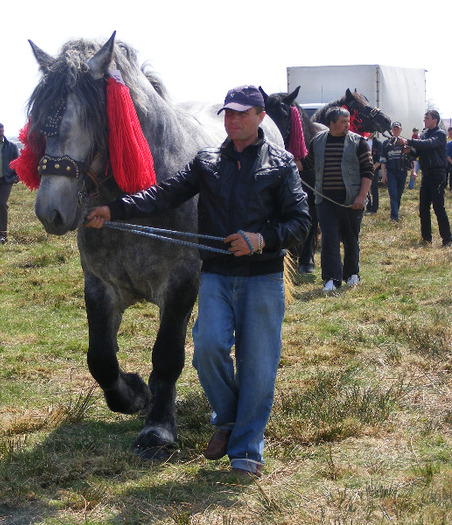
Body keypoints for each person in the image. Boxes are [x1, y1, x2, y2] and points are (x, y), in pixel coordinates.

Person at [85, 85, 311, 477]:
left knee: (257, 367)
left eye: (242, 114)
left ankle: (245, 449)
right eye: (228, 114)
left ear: (260, 116)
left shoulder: (282, 164)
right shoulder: (206, 161)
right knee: (207, 349)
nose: (233, 120)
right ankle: (226, 416)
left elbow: (302, 223)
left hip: (262, 276)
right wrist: (114, 208)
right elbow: (161, 195)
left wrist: (261, 240)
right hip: (218, 276)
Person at [298, 107, 374, 292]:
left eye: (348, 122)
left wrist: (361, 197)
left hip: (351, 200)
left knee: (350, 238)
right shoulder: (317, 142)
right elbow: (307, 164)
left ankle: (352, 274)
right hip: (325, 202)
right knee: (329, 240)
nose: (347, 125)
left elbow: (368, 171)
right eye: (342, 122)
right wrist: (286, 161)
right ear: (331, 124)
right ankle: (331, 279)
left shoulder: (358, 143)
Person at [398, 111, 451, 246]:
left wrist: (409, 141)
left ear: (435, 120)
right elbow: (418, 152)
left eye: (427, 118)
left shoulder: (440, 134)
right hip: (426, 175)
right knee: (423, 208)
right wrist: (409, 150)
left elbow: (429, 144)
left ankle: (447, 239)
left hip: (438, 174)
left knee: (438, 207)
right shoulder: (425, 134)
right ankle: (426, 238)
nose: (424, 120)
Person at [380, 122, 409, 222]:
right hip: (391, 172)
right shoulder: (386, 143)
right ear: (392, 130)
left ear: (401, 130)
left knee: (399, 194)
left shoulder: (405, 142)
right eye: (394, 129)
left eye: (398, 129)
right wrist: (384, 174)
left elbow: (411, 157)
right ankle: (394, 217)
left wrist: (413, 171)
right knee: (393, 194)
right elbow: (383, 160)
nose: (396, 130)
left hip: (402, 171)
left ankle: (395, 212)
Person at [364, 133, 382, 215]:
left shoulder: (378, 143)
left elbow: (380, 159)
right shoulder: (364, 141)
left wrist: (373, 168)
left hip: (374, 168)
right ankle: (368, 206)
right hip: (364, 168)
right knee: (365, 188)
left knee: (374, 188)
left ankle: (374, 208)